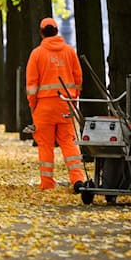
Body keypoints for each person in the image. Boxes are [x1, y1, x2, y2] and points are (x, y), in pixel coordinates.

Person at [26, 17, 87, 192]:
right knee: (68, 142)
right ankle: (77, 179)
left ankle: (47, 183)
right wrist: (74, 100)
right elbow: (78, 79)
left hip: (44, 106)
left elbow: (31, 84)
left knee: (45, 145)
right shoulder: (69, 51)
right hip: (65, 104)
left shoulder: (37, 54)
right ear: (57, 31)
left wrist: (33, 105)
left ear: (41, 33)